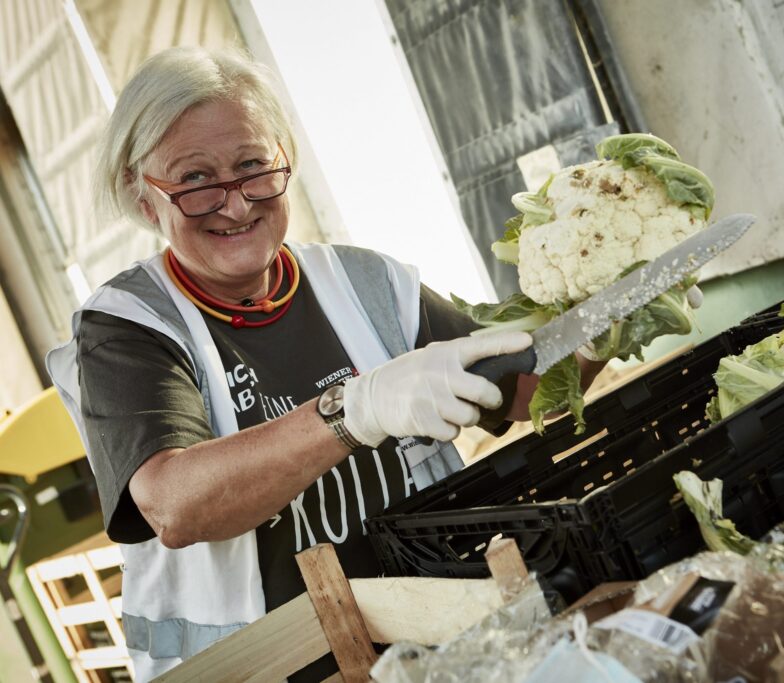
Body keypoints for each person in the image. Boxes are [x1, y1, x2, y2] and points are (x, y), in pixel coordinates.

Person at [46, 46, 600, 682]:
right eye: (195, 180)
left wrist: (594, 335)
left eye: (253, 166)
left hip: (437, 649)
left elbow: (525, 390)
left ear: (286, 162)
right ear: (146, 201)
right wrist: (353, 409)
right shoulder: (128, 326)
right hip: (265, 669)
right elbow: (174, 505)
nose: (235, 203)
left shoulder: (370, 284)